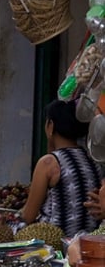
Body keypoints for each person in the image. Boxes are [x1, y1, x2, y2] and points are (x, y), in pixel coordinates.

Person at [21, 99, 102, 236]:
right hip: (86, 243)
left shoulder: (48, 163)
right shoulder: (94, 161)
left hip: (54, 244)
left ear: (50, 126)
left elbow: (28, 216)